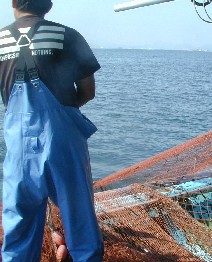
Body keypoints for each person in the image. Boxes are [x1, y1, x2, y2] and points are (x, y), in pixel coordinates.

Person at [0, 0, 104, 260]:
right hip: (62, 141)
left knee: (19, 221)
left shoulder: (0, 40)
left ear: (14, 3)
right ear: (48, 5)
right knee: (79, 218)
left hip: (17, 145)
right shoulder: (67, 36)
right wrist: (63, 113)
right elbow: (88, 92)